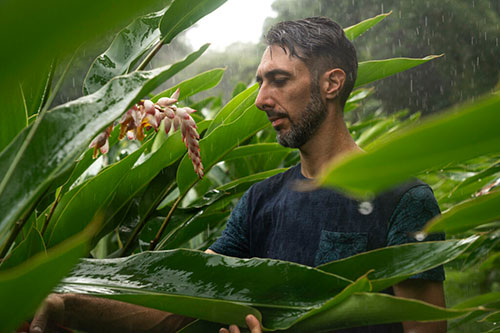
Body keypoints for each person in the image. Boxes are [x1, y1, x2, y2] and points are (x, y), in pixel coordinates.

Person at [26, 17, 446, 333]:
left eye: (279, 81)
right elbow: (180, 300)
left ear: (331, 83)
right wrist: (68, 305)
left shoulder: (402, 200)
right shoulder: (260, 202)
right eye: (261, 82)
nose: (262, 99)